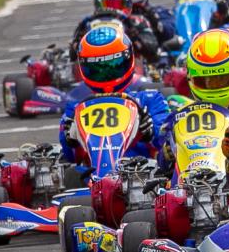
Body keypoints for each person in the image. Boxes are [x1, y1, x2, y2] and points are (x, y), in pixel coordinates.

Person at [58, 24, 174, 175]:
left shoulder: (149, 100)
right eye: (97, 69)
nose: (106, 74)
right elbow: (71, 157)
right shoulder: (75, 109)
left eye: (113, 65)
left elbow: (166, 143)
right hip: (92, 179)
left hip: (144, 177)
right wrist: (71, 142)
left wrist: (151, 132)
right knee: (68, 175)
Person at [70, 0, 160, 63]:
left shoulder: (137, 22)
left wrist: (135, 38)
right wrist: (80, 42)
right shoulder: (87, 24)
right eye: (108, 4)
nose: (112, 9)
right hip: (95, 71)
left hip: (131, 70)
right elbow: (73, 55)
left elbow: (153, 49)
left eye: (117, 4)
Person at [181, 29, 229, 116]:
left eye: (223, 79)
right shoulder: (184, 114)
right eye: (208, 81)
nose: (216, 86)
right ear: (190, 77)